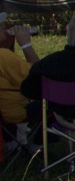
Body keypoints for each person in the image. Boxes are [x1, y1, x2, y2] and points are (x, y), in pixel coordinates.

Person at [0, 21, 40, 156]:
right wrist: (26, 45)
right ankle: (37, 146)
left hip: (3, 112)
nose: (5, 28)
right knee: (57, 102)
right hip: (14, 112)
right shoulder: (3, 56)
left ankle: (12, 142)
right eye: (1, 26)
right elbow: (39, 76)